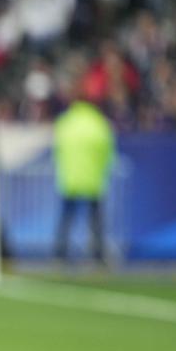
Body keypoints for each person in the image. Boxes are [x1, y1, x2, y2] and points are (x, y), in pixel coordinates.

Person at [53, 99, 116, 263]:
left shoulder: (66, 122)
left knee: (66, 218)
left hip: (70, 179)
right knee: (95, 220)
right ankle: (98, 254)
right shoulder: (99, 123)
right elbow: (108, 151)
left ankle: (59, 254)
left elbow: (57, 148)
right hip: (93, 179)